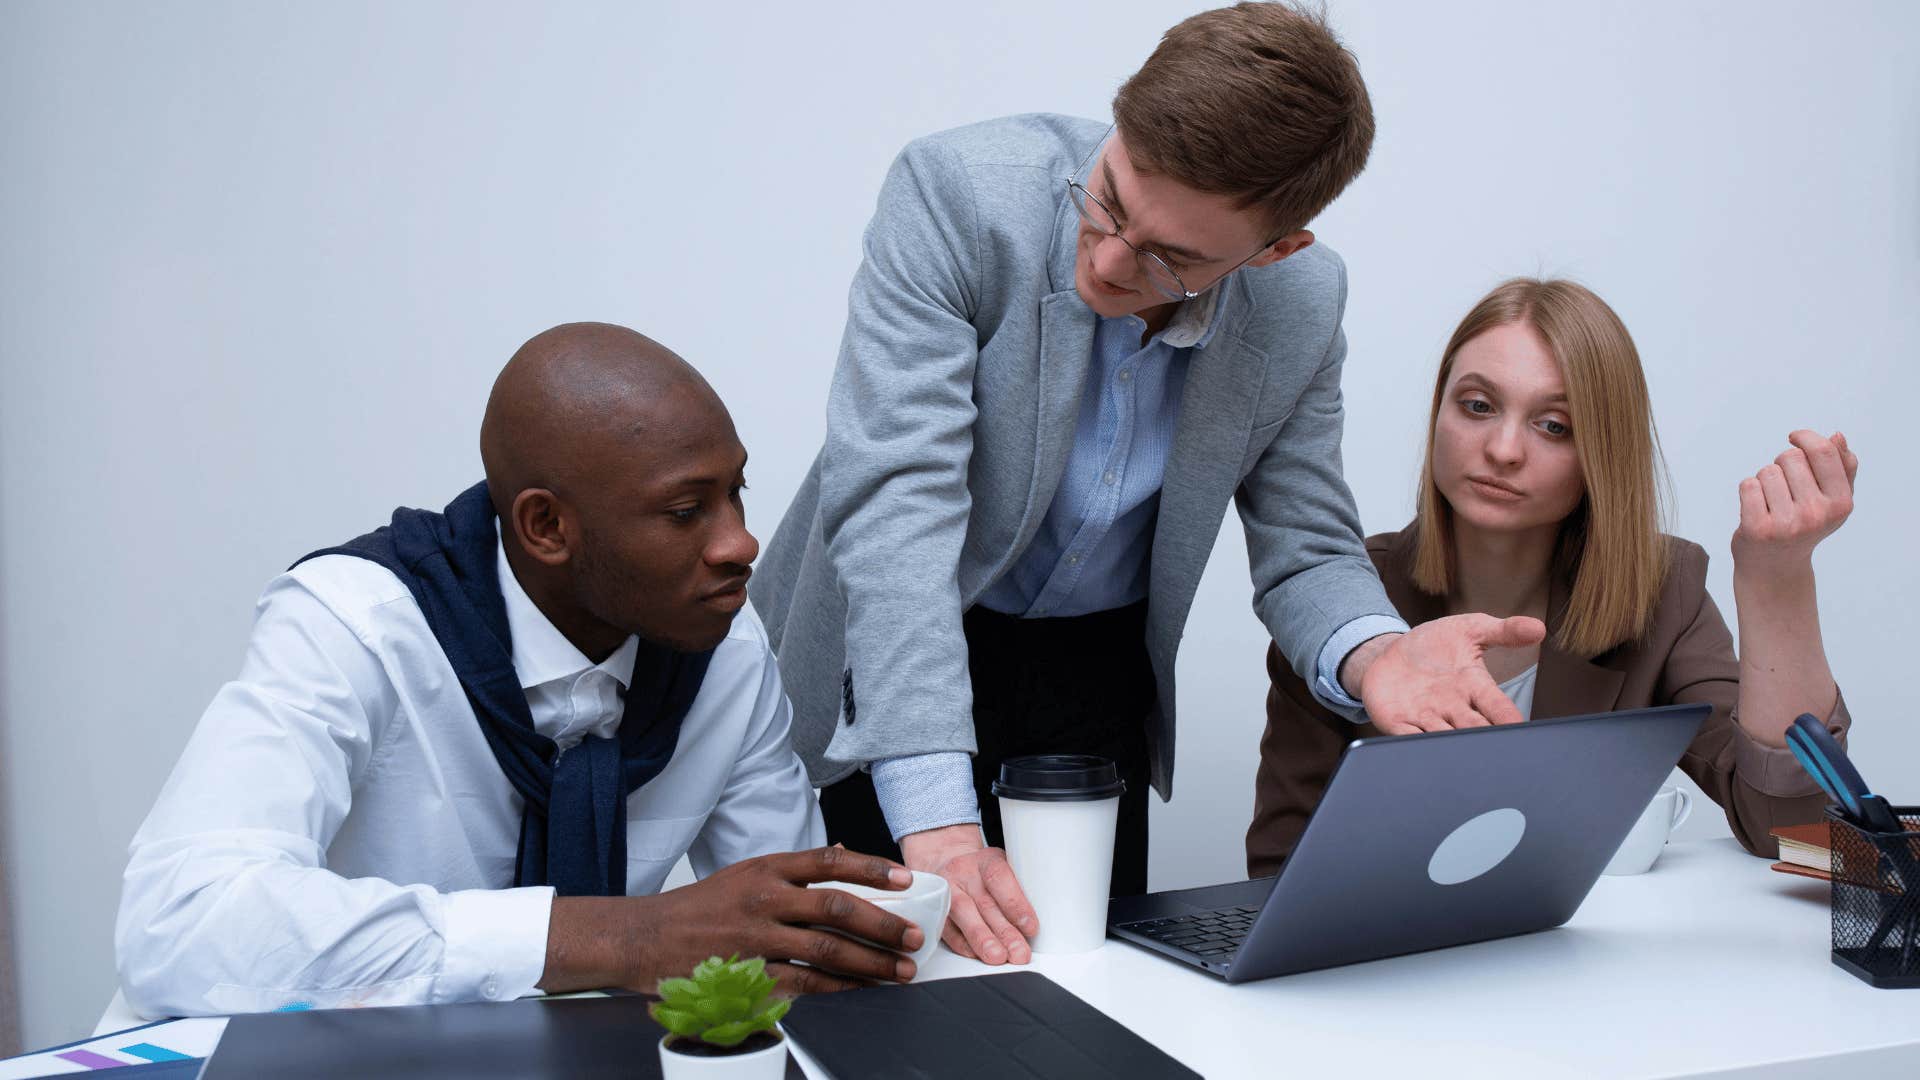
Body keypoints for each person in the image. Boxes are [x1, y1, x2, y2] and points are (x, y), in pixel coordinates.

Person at [750, 1, 1543, 969]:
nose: (1111, 260)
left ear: (1274, 248)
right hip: (892, 648)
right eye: (1112, 199)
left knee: (1077, 1000)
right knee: (864, 999)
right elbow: (896, 510)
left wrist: (1378, 656)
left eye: (1174, 258)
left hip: (1095, 675)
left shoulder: (1301, 300)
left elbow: (1309, 546)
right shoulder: (957, 195)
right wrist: (942, 825)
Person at [117, 323, 922, 1018]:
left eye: (735, 494)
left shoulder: (726, 647)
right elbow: (179, 925)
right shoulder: (355, 626)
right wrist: (619, 937)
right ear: (544, 526)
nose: (741, 543)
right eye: (686, 511)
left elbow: (781, 943)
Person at [1246, 278, 1858, 874]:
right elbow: (1281, 869)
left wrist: (1776, 580)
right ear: (1439, 412)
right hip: (1386, 962)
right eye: (1478, 406)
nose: (1504, 449)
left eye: (1554, 425)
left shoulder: (1664, 589)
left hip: (1579, 969)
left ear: (1603, 453)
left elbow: (1789, 829)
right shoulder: (1340, 601)